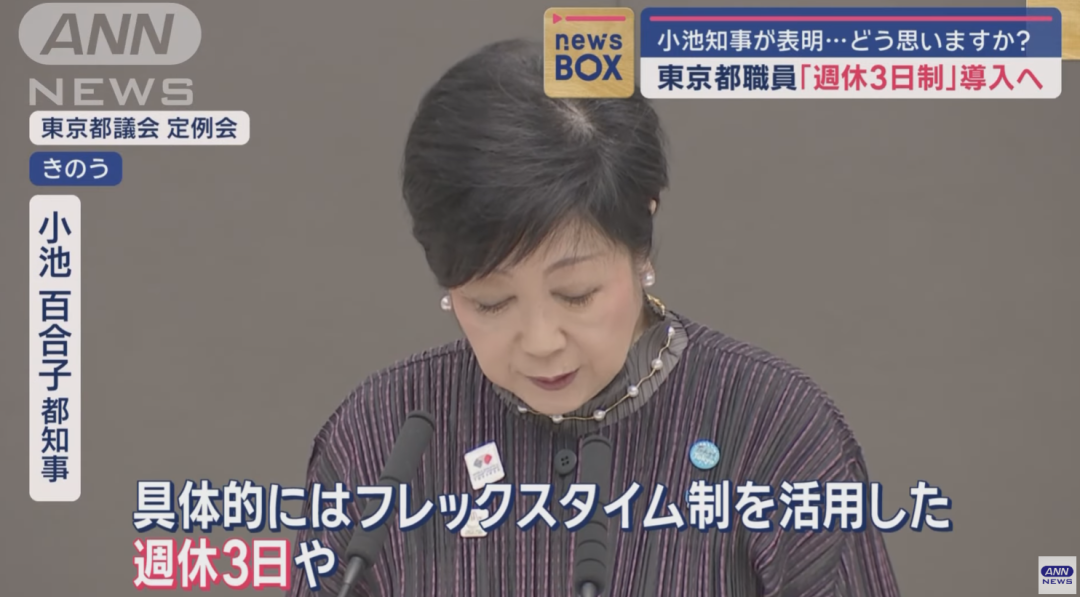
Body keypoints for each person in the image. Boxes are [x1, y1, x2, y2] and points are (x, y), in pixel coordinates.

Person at [288, 38, 900, 596]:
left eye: (576, 294)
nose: (540, 342)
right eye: (491, 303)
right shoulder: (379, 438)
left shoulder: (776, 432)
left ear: (640, 242)